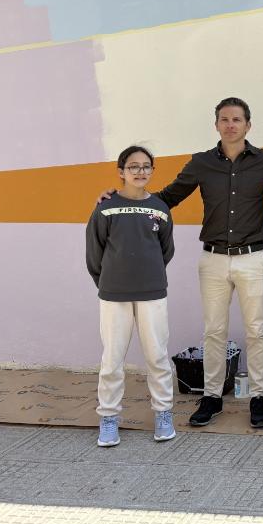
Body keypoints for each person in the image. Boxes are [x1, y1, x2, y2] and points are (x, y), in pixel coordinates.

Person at [101, 97, 263, 429]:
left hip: (252, 258)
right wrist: (124, 195)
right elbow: (167, 198)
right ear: (216, 125)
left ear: (248, 125)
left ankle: (258, 397)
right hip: (212, 259)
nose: (230, 125)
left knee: (257, 330)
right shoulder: (201, 163)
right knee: (214, 331)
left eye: (237, 120)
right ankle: (211, 396)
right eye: (224, 119)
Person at [87, 145, 176, 447]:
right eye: (133, 166)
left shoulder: (160, 208)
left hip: (152, 293)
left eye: (146, 166)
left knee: (157, 357)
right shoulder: (105, 207)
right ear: (121, 171)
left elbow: (166, 250)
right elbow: (95, 253)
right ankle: (109, 418)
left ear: (152, 171)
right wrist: (111, 280)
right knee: (112, 360)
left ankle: (163, 413)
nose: (140, 172)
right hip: (114, 295)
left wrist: (147, 275)